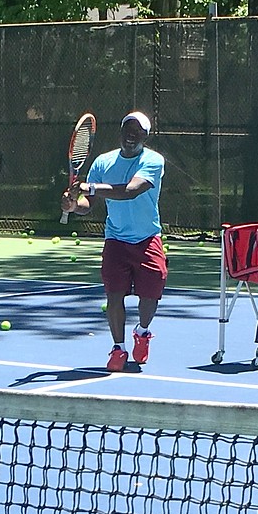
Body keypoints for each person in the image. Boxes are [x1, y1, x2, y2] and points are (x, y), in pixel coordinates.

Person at [60, 111, 167, 371]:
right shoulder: (102, 163)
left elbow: (130, 191)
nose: (131, 136)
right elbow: (88, 205)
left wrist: (91, 187)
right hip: (116, 239)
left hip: (147, 238)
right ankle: (118, 348)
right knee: (114, 295)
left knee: (151, 294)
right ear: (121, 133)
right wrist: (74, 205)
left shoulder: (153, 160)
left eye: (137, 131)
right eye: (127, 130)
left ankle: (142, 332)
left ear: (145, 135)